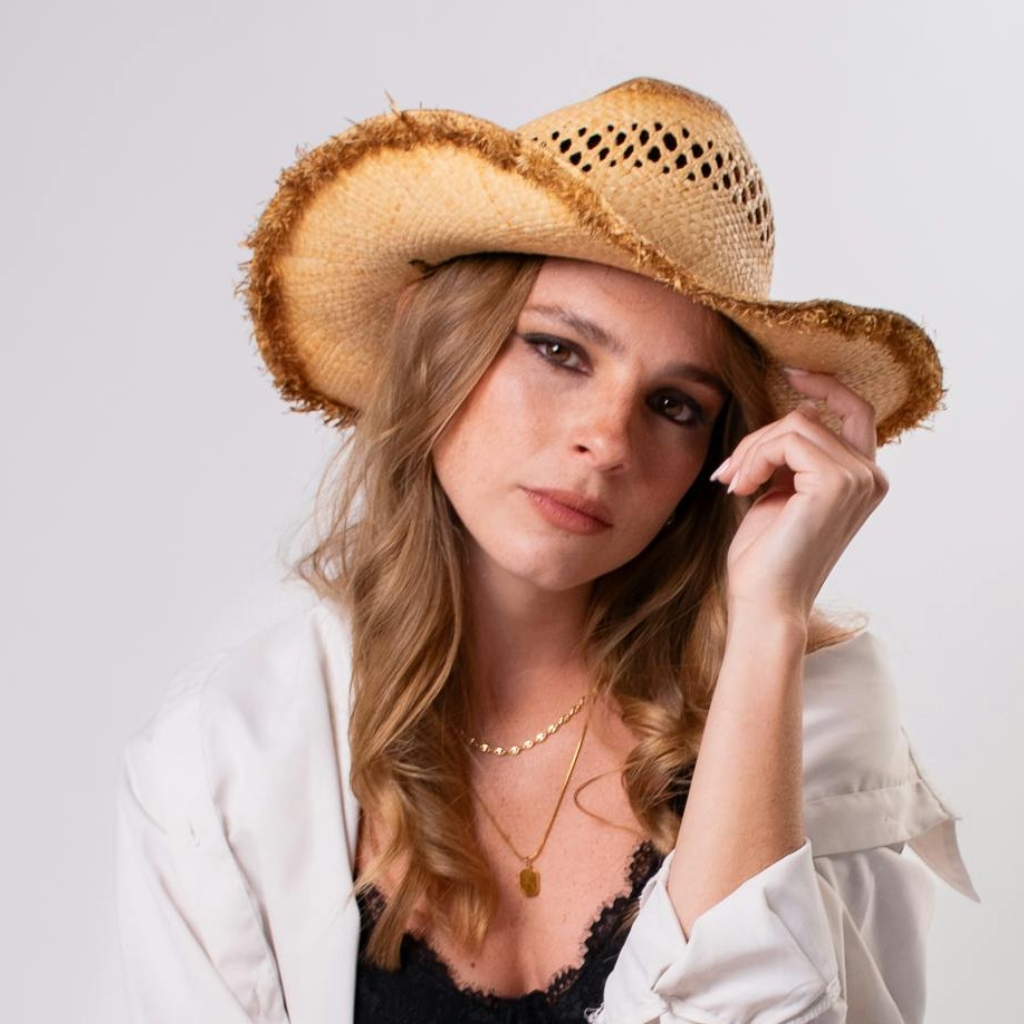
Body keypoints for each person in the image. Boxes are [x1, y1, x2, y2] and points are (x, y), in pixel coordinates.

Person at [115, 78, 978, 1023]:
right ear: (439, 345)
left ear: (718, 456)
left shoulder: (814, 728)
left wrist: (769, 621)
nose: (608, 440)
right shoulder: (229, 758)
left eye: (674, 405)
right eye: (561, 351)